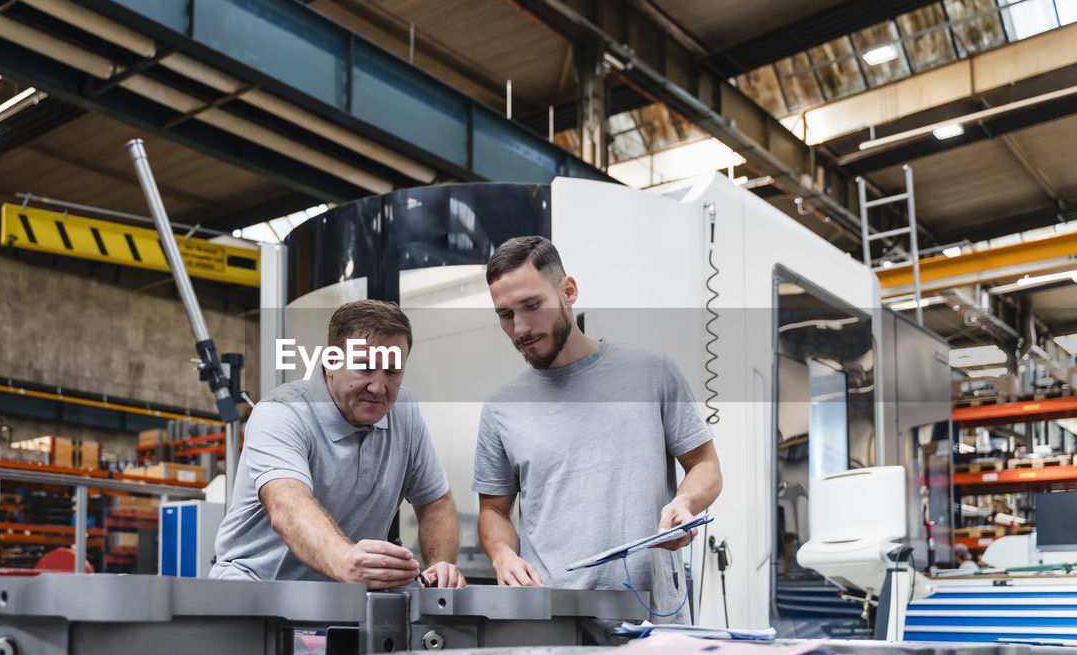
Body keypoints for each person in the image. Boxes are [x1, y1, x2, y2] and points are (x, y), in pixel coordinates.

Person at [473, 236, 721, 621]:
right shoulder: (501, 408)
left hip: (652, 615)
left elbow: (705, 465)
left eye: (532, 306)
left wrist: (685, 504)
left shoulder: (652, 372)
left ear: (568, 291)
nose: (520, 328)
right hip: (550, 620)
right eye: (506, 315)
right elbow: (493, 510)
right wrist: (503, 554)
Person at [211, 299, 465, 589]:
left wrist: (440, 565)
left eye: (393, 372)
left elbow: (435, 504)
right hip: (257, 591)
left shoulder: (404, 411)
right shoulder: (281, 413)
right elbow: (288, 507)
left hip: (346, 597)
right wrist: (345, 560)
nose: (379, 387)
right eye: (365, 368)